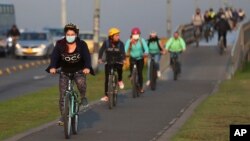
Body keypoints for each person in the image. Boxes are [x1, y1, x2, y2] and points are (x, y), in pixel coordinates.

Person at [46, 23, 94, 125]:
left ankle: (82, 97)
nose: (70, 36)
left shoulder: (82, 44)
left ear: (76, 34)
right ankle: (63, 117)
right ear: (65, 34)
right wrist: (53, 67)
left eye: (72, 34)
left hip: (79, 70)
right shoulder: (60, 44)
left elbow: (87, 57)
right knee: (63, 95)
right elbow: (54, 56)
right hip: (64, 71)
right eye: (68, 34)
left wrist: (86, 67)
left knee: (81, 83)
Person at [98, 27, 125, 102]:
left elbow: (123, 52)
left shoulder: (121, 44)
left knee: (120, 69)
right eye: (116, 35)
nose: (118, 37)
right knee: (107, 79)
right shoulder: (106, 43)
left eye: (118, 35)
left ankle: (119, 80)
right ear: (111, 36)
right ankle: (106, 95)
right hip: (109, 61)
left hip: (118, 61)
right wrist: (100, 58)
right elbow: (101, 50)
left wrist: (123, 59)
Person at [125, 27, 149, 93]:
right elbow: (125, 49)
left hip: (140, 58)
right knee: (131, 68)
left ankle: (141, 87)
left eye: (137, 34)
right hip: (132, 57)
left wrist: (146, 53)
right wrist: (123, 54)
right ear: (132, 35)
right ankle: (131, 75)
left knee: (140, 73)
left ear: (139, 34)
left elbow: (146, 48)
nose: (135, 36)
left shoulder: (142, 40)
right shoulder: (129, 41)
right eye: (134, 34)